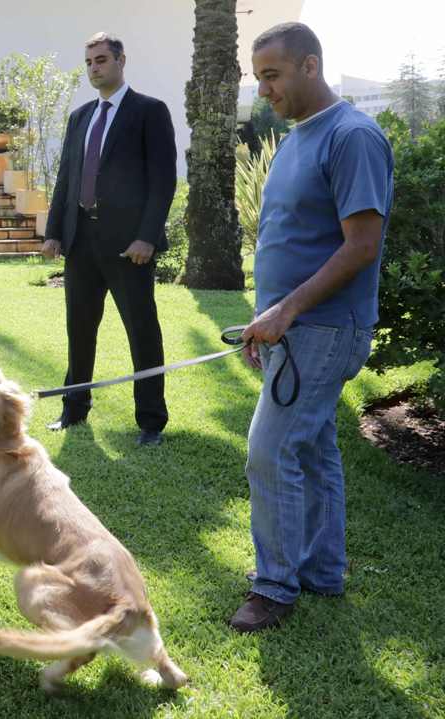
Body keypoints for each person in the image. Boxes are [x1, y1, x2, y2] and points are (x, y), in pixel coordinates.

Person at [229, 22, 394, 633]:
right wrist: (267, 318)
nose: (263, 90)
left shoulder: (353, 137)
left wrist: (287, 310)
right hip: (290, 329)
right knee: (315, 449)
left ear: (309, 66)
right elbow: (290, 234)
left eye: (272, 76)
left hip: (324, 328)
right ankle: (322, 573)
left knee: (270, 451)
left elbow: (362, 245)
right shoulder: (298, 137)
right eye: (258, 78)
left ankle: (274, 587)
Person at [41, 32, 177, 446]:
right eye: (89, 62)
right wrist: (53, 232)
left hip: (129, 247)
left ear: (121, 60)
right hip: (80, 241)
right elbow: (66, 178)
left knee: (142, 330)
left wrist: (147, 237)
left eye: (101, 60)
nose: (93, 68)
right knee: (79, 329)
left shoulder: (149, 111)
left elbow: (163, 180)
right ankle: (74, 409)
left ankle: (151, 421)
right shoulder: (79, 117)